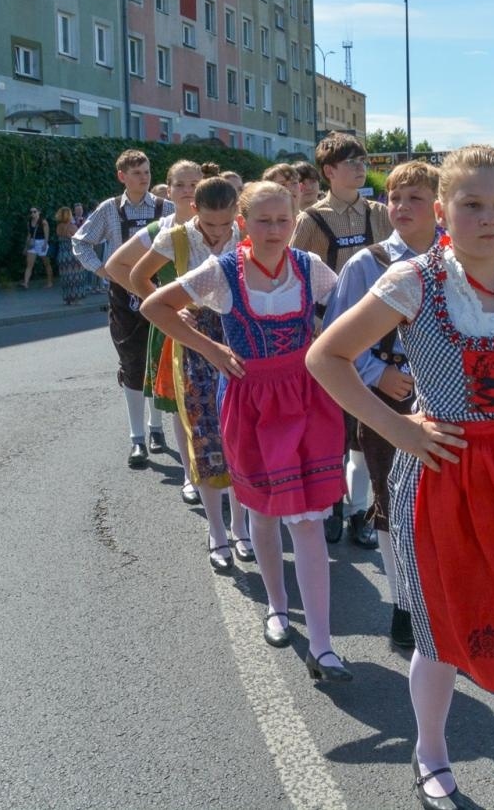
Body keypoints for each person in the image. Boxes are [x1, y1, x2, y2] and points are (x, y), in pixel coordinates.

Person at [308, 145, 494, 810]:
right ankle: (431, 749)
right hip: (444, 470)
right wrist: (401, 430)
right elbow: (326, 357)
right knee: (442, 630)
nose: (489, 217)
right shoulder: (414, 280)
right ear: (443, 211)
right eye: (471, 204)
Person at [141, 182, 349, 676]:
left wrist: (328, 349)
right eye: (263, 221)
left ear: (295, 220)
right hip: (250, 398)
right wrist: (210, 349)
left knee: (309, 519)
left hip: (305, 398)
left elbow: (347, 312)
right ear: (243, 224)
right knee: (262, 510)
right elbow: (155, 306)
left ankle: (321, 642)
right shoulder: (224, 270)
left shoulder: (309, 268)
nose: (274, 230)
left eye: (283, 220)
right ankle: (277, 607)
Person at [320, 160, 441, 645]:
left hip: (448, 404)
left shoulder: (454, 259)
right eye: (394, 197)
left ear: (438, 204)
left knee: (442, 502)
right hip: (389, 402)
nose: (402, 207)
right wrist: (378, 371)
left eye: (415, 198)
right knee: (394, 503)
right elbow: (334, 336)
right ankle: (403, 604)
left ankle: (442, 595)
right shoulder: (368, 263)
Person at [130, 171, 246, 571]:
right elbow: (136, 276)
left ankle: (241, 525)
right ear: (194, 209)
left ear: (236, 212)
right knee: (203, 434)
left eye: (225, 224)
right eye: (209, 224)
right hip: (194, 341)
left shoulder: (245, 234)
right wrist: (172, 308)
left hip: (239, 335)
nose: (217, 234)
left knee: (241, 434)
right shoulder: (176, 236)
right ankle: (216, 531)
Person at [292, 132, 393, 545]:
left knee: (365, 426)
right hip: (329, 336)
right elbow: (297, 277)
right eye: (350, 161)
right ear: (328, 171)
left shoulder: (381, 214)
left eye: (362, 160)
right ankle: (332, 502)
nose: (359, 166)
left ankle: (360, 512)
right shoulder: (311, 220)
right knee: (331, 427)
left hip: (377, 334)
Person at [72, 149, 175, 469]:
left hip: (160, 291)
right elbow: (80, 241)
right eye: (136, 173)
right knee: (132, 363)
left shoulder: (166, 208)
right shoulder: (109, 210)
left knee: (158, 360)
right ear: (122, 177)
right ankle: (137, 439)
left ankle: (156, 429)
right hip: (123, 297)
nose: (143, 177)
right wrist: (102, 270)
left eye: (146, 171)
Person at [106, 160, 202, 488]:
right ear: (169, 190)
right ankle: (192, 476)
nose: (188, 191)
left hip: (219, 324)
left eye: (194, 184)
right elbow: (117, 265)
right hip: (177, 325)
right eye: (180, 185)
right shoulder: (161, 229)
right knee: (182, 404)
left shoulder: (221, 223)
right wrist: (158, 300)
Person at [53, 207, 87, 304]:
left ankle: (67, 298)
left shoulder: (59, 227)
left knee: (66, 277)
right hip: (72, 254)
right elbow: (78, 239)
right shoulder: (72, 226)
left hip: (63, 254)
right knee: (76, 276)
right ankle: (75, 298)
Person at [21, 207, 53, 289]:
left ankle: (50, 282)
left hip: (42, 242)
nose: (32, 213)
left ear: (39, 212)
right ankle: (26, 283)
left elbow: (47, 234)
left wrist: (45, 244)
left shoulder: (43, 222)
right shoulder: (29, 222)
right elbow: (29, 235)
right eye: (31, 212)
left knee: (46, 264)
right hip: (32, 243)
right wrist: (26, 246)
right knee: (29, 264)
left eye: (34, 212)